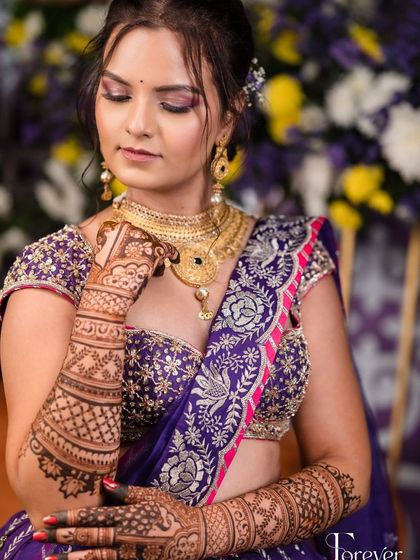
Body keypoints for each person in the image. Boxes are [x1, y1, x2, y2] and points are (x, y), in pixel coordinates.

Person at [0, 1, 396, 559]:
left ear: (229, 116)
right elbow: (54, 510)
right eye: (116, 95)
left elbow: (347, 470)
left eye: (175, 103)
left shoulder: (290, 259)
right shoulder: (57, 269)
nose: (136, 123)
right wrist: (106, 303)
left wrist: (201, 533)